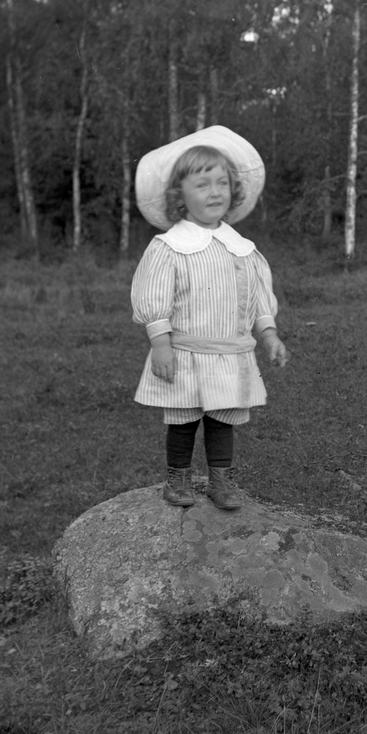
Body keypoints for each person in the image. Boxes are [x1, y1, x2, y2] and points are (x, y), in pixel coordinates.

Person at [131, 126, 288, 511]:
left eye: (222, 183)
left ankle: (221, 482)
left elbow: (257, 300)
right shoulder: (169, 248)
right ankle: (178, 479)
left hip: (230, 355)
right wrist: (160, 344)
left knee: (222, 420)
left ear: (234, 190)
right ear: (179, 196)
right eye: (202, 185)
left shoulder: (242, 249)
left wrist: (269, 335)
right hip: (185, 354)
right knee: (183, 420)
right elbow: (154, 298)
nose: (215, 192)